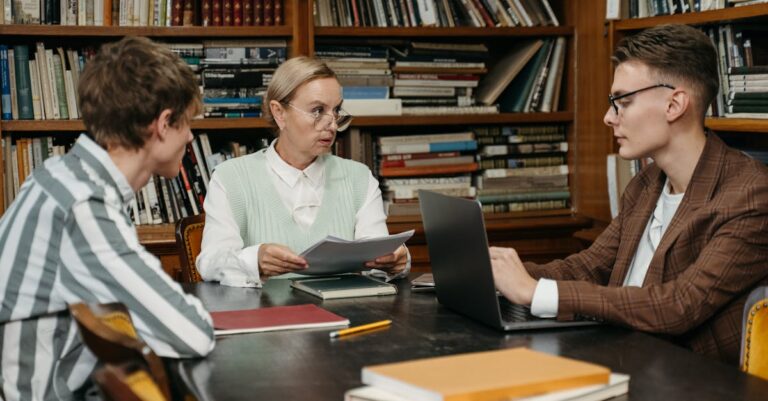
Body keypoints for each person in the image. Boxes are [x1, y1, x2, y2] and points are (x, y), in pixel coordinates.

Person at [490, 24, 768, 364]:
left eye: (623, 101)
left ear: (674, 104)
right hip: (617, 356)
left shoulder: (751, 195)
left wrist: (536, 292)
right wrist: (492, 273)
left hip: (687, 379)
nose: (609, 118)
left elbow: (679, 305)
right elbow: (588, 267)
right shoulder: (647, 182)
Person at [0, 36, 215, 401]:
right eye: (187, 123)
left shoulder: (61, 174)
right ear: (163, 124)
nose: (191, 136)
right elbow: (191, 331)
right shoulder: (83, 205)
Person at [197, 56, 410, 287]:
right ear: (279, 113)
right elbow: (210, 262)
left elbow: (378, 261)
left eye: (336, 110)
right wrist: (254, 260)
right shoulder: (231, 178)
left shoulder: (359, 178)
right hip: (268, 316)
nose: (332, 124)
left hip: (348, 316)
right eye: (318, 110)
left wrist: (397, 261)